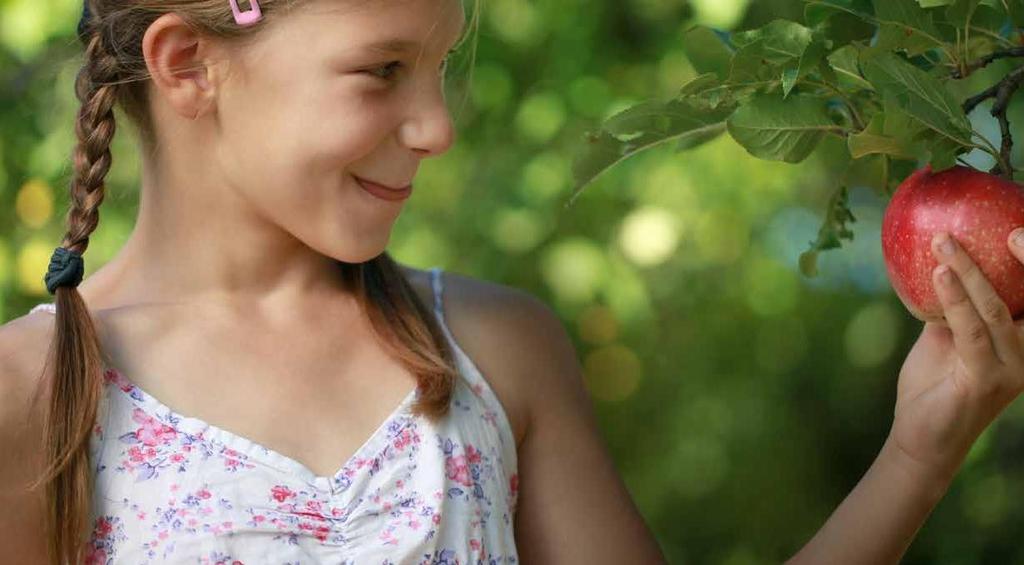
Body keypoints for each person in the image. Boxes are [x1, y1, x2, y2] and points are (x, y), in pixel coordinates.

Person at [0, 0, 1021, 564]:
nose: (438, 126)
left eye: (444, 67)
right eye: (382, 69)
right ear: (187, 65)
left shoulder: (493, 352)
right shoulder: (37, 399)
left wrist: (918, 451)